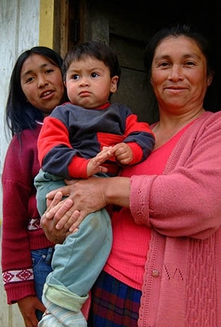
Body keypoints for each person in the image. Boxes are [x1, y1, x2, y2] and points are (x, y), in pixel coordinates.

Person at [41, 24, 221, 326]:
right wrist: (61, 227)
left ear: (208, 76)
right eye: (164, 64)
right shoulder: (136, 140)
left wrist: (106, 190)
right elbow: (91, 206)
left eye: (189, 63)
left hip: (164, 300)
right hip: (97, 287)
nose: (175, 74)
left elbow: (201, 202)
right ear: (151, 76)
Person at [34, 41, 155, 326]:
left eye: (94, 75)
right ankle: (60, 299)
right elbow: (51, 153)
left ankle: (65, 301)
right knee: (88, 227)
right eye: (75, 77)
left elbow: (144, 135)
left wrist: (132, 150)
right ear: (65, 83)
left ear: (113, 83)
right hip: (56, 182)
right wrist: (84, 167)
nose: (83, 83)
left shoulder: (123, 115)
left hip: (96, 186)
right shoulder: (61, 114)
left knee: (97, 233)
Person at [0, 46, 67, 327]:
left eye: (48, 70)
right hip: (45, 259)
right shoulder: (23, 144)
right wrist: (21, 291)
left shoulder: (94, 126)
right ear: (22, 93)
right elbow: (13, 221)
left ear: (65, 73)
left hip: (96, 250)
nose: (41, 82)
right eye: (29, 78)